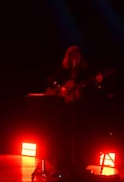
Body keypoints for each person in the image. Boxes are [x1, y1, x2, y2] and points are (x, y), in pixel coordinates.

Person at [44, 45, 110, 173]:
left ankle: (80, 165)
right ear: (68, 57)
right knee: (64, 136)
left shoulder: (84, 70)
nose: (75, 59)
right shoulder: (63, 70)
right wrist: (60, 88)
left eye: (77, 56)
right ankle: (64, 164)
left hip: (79, 107)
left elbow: (92, 88)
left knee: (80, 135)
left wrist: (98, 82)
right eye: (72, 56)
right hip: (64, 109)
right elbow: (50, 80)